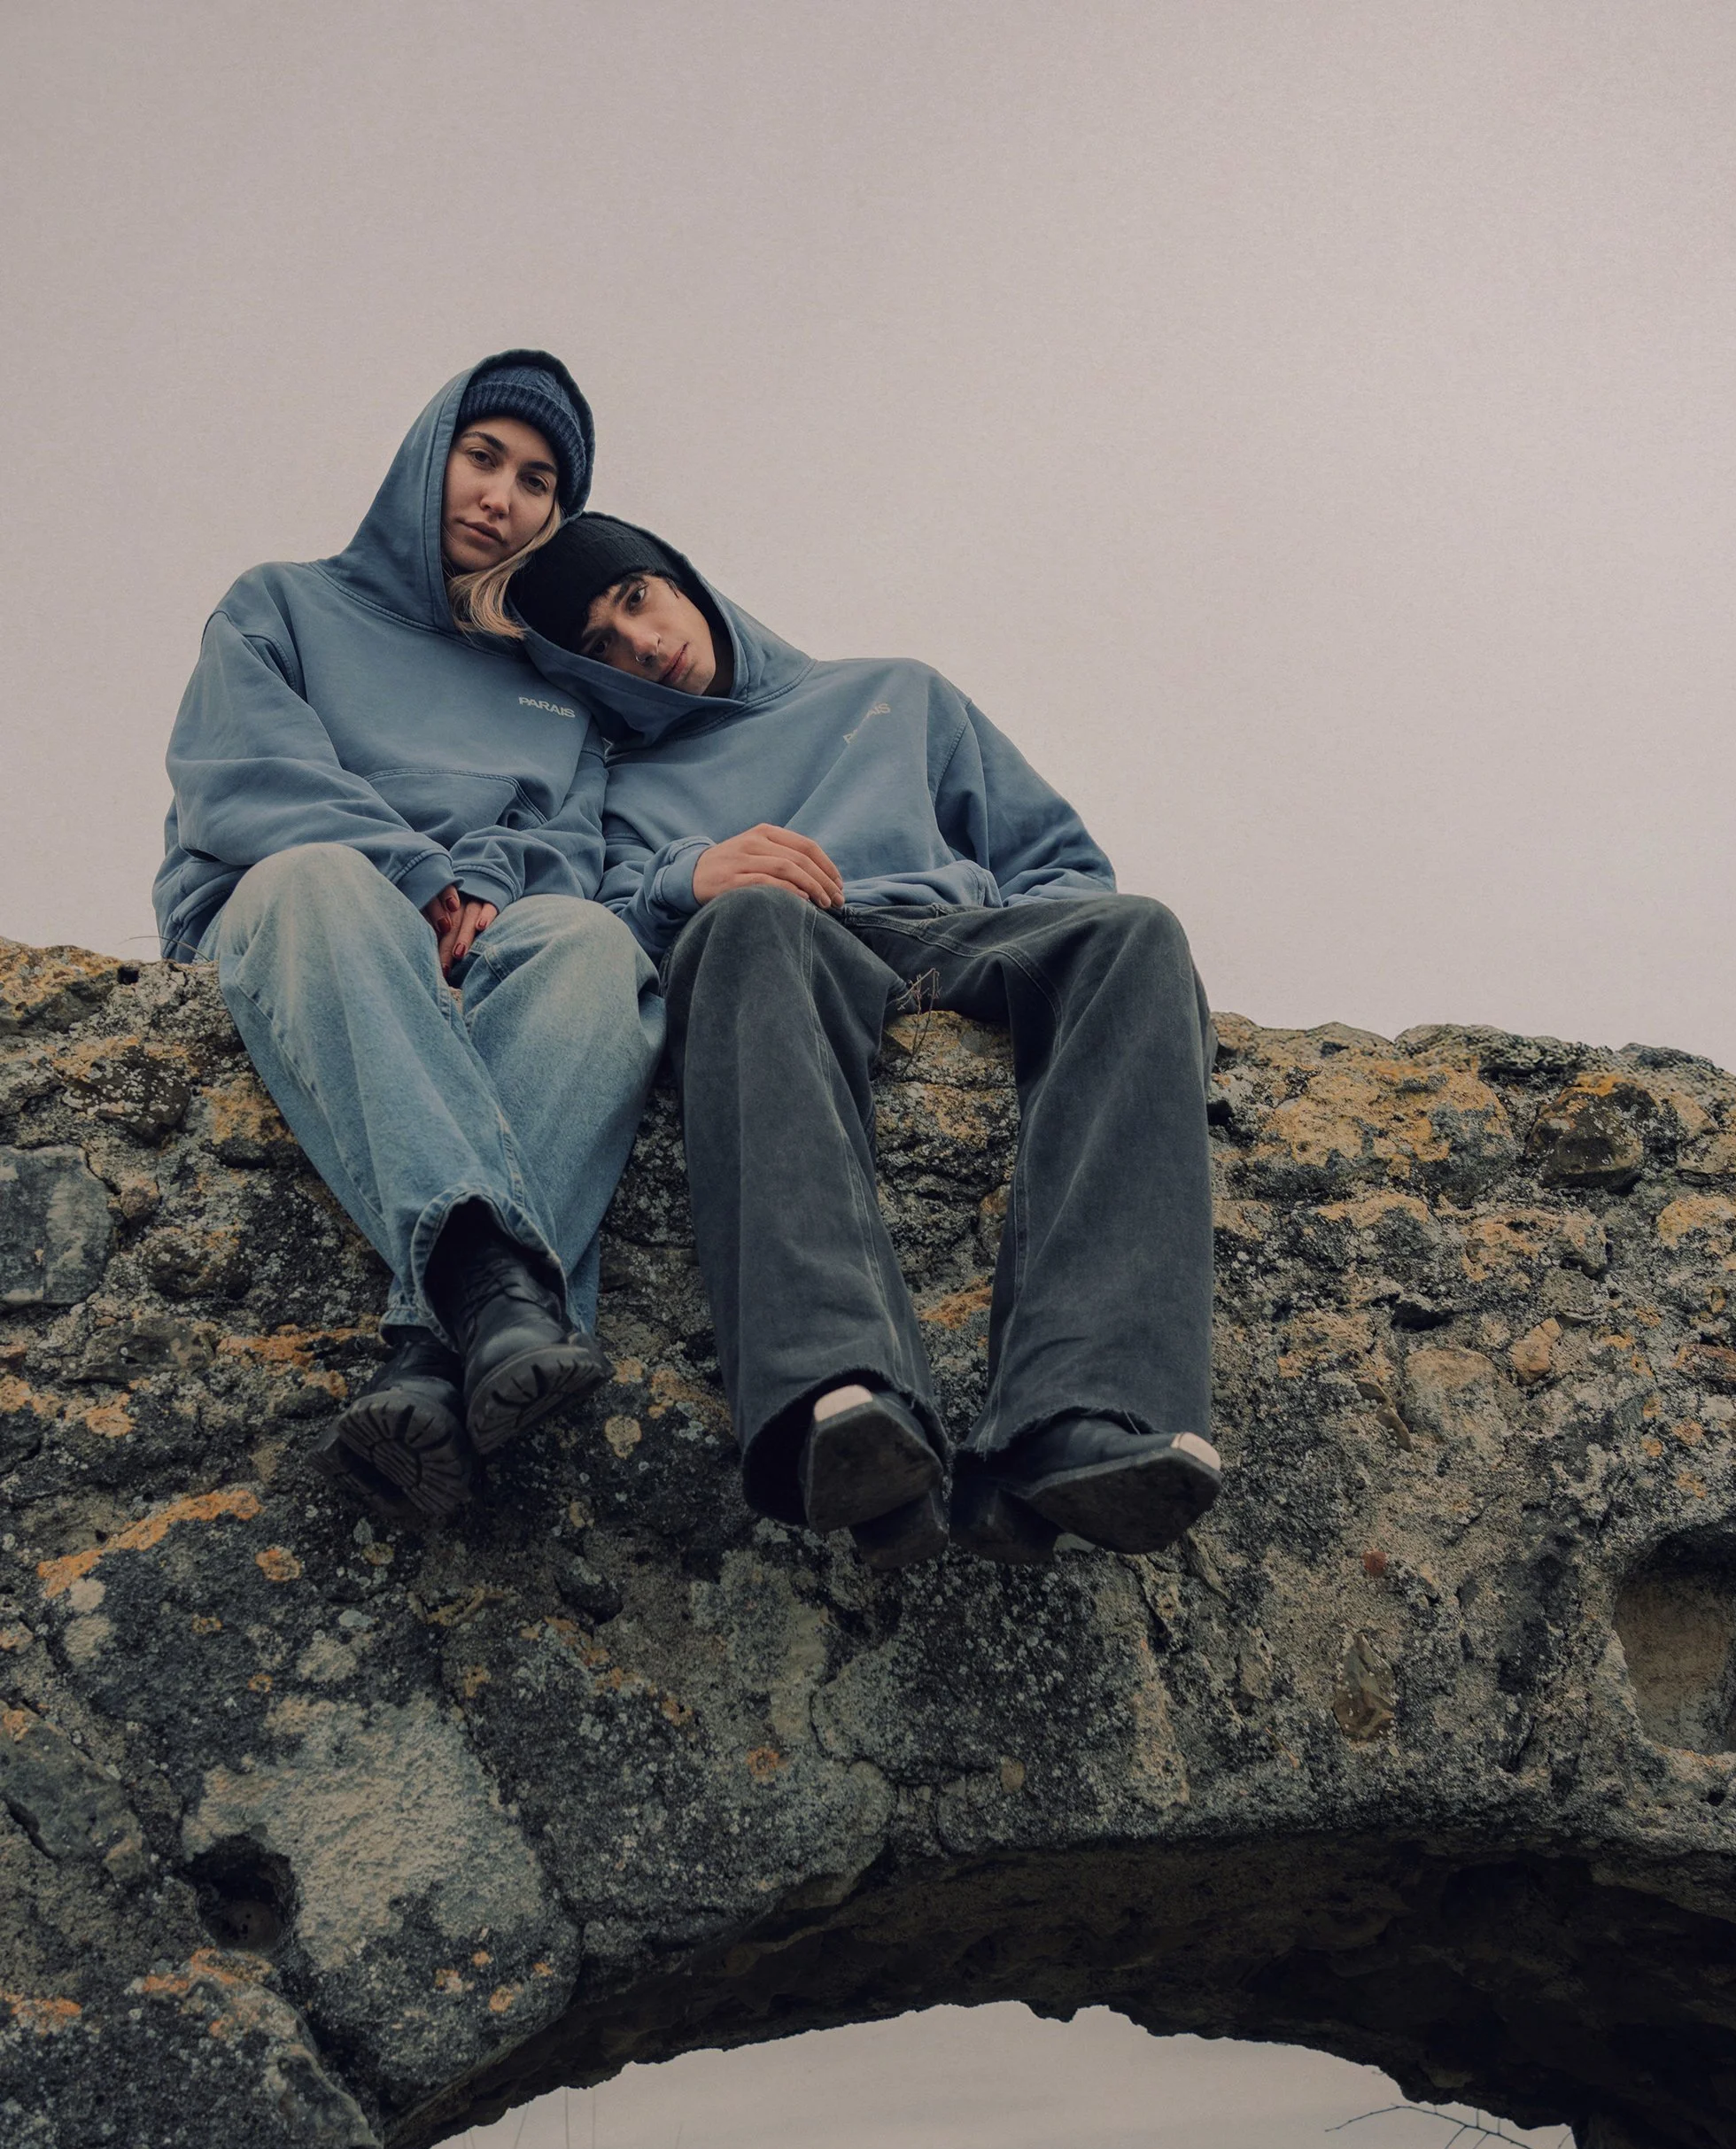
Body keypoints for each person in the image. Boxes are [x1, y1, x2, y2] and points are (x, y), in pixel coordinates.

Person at [507, 515, 1221, 1570]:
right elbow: (589, 929)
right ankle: (839, 1395)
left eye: (638, 598)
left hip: (948, 929)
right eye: (600, 645)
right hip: (780, 943)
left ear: (681, 578)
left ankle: (1082, 1412)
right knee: (744, 923)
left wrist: (991, 934)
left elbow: (1061, 866)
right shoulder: (615, 783)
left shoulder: (898, 692)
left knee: (1137, 932)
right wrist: (687, 874)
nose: (643, 644)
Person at [153, 357, 664, 1517]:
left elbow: (569, 841)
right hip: (298, 906)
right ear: (428, 455)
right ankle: (489, 1282)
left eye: (536, 482)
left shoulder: (557, 693)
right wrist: (415, 874)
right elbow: (244, 773)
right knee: (327, 877)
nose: (500, 496)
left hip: (483, 933)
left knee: (593, 943)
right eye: (483, 457)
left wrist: (484, 883)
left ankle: (434, 1360)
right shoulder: (281, 603)